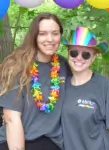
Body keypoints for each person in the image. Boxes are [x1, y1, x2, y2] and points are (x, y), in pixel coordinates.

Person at [0, 12, 71, 150]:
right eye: (43, 33)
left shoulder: (63, 65)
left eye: (55, 33)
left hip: (51, 141)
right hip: (15, 140)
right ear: (34, 36)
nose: (49, 39)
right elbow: (11, 119)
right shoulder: (16, 66)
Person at [61, 26, 109, 150]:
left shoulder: (103, 85)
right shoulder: (60, 85)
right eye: (74, 52)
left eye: (86, 55)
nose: (79, 58)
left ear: (93, 58)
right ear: (68, 53)